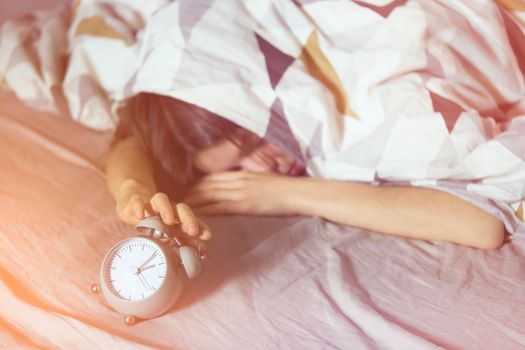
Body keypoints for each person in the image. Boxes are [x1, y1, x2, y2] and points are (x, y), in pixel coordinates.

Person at [105, 93, 506, 250]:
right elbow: (132, 139)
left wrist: (286, 193)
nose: (261, 169)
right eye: (236, 169)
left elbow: (482, 225)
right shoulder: (173, 120)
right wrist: (132, 189)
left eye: (254, 141)